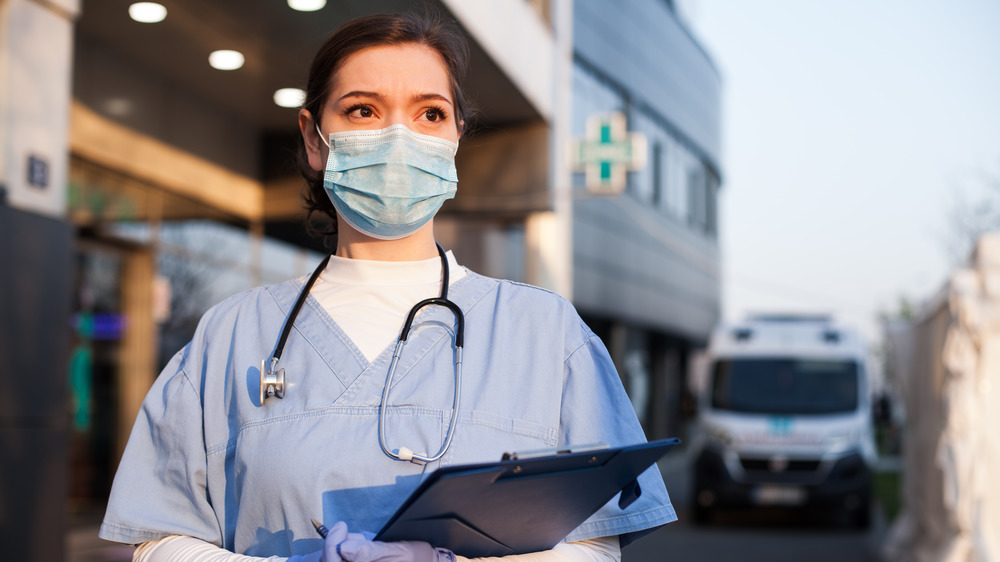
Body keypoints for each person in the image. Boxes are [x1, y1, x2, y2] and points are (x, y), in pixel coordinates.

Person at [99, 12, 676, 562]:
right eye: (363, 110)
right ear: (314, 139)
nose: (400, 136)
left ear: (455, 137)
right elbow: (159, 538)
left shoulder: (547, 335)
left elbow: (596, 546)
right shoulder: (231, 335)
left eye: (429, 114)